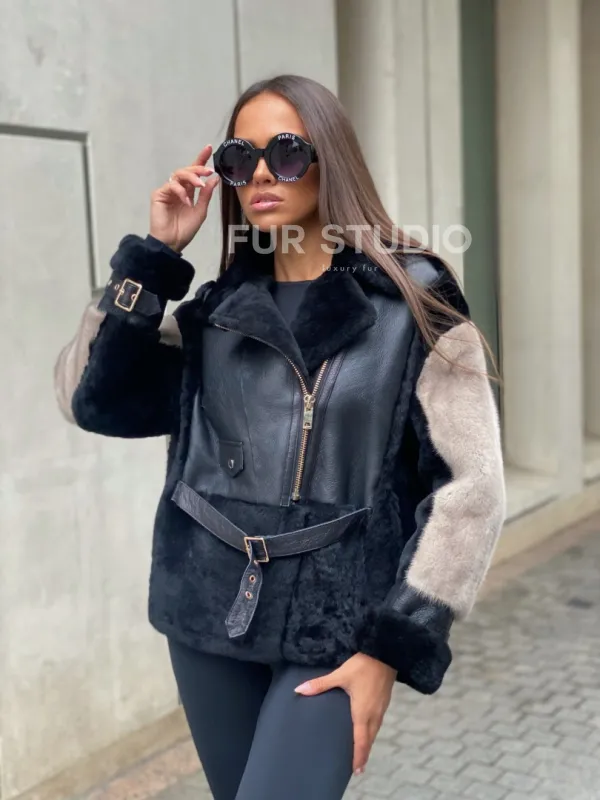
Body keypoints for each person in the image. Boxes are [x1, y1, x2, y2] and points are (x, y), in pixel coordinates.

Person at [55, 74, 506, 800]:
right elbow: (92, 398)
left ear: (331, 158)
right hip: (206, 612)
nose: (261, 173)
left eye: (286, 151)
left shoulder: (413, 305)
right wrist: (152, 260)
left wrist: (392, 644)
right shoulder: (216, 313)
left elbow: (471, 489)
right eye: (240, 157)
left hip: (336, 626)